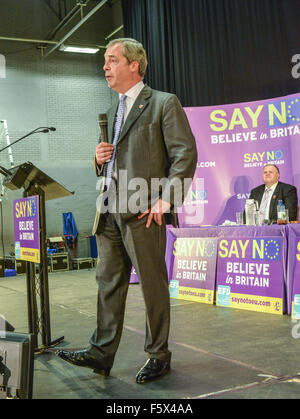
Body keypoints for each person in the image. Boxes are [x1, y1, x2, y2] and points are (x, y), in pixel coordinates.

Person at [57, 38, 197, 383]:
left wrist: (166, 200)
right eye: (105, 61)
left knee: (152, 286)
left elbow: (185, 154)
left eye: (111, 60)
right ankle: (101, 353)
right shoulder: (114, 108)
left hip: (143, 212)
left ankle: (158, 355)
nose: (105, 66)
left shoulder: (163, 103)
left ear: (134, 64)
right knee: (107, 284)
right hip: (108, 213)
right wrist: (97, 158)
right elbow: (116, 160)